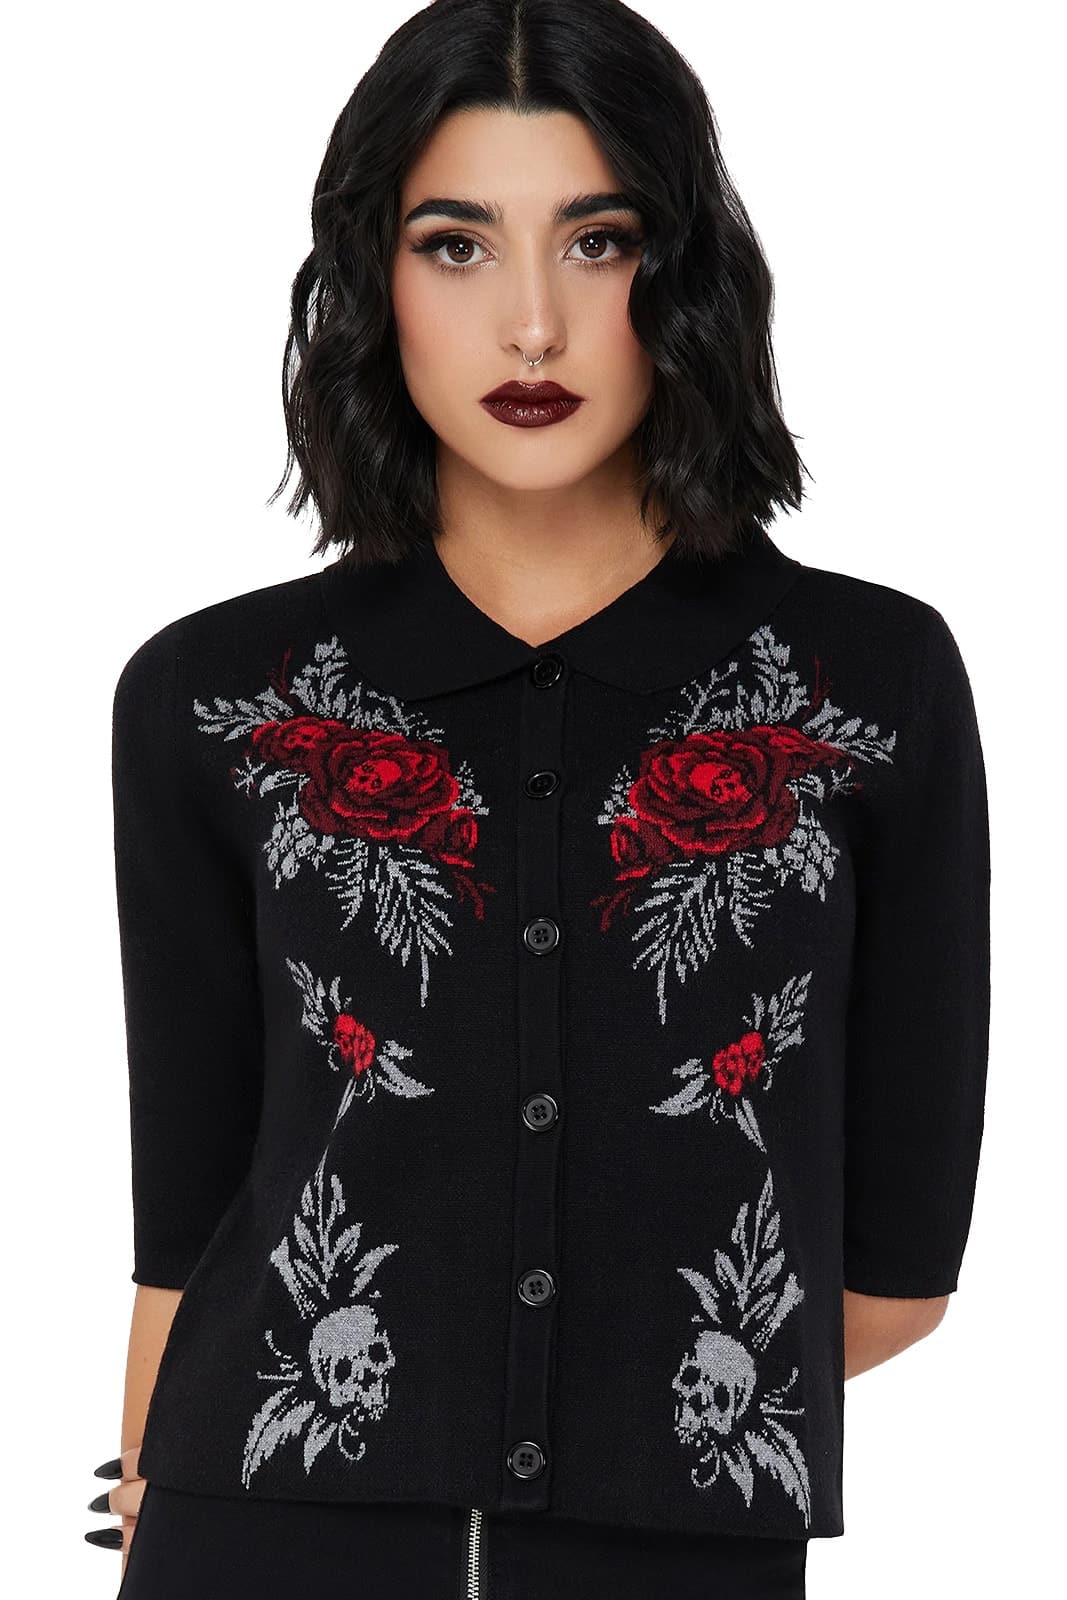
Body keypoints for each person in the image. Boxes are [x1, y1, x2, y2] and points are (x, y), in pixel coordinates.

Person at [86, 1, 991, 1596]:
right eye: (455, 246)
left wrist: (607, 1411)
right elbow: (193, 1225)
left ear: (686, 274)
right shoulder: (216, 699)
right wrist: (140, 1495)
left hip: (675, 1543)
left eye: (597, 242)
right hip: (262, 1533)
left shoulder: (864, 686)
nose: (530, 327)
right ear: (372, 279)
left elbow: (896, 1277)